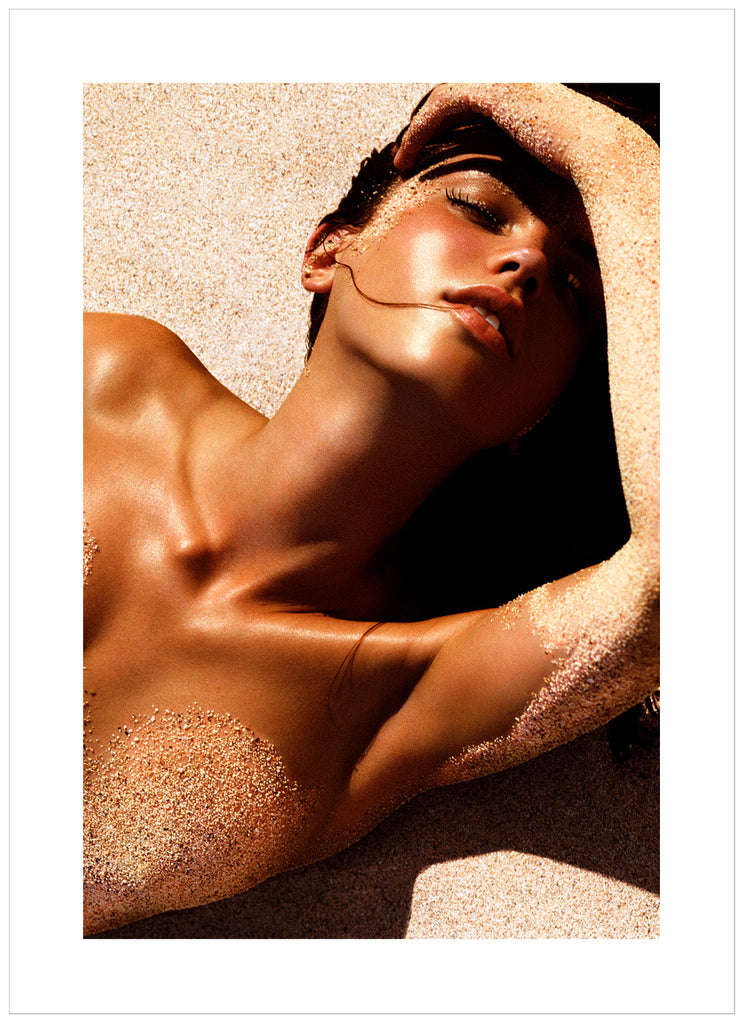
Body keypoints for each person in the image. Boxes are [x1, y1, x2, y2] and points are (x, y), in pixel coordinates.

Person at [83, 83, 660, 936]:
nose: (526, 263)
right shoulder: (97, 380)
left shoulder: (404, 686)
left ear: (545, 410)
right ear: (329, 248)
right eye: (477, 209)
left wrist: (603, 147)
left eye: (579, 288)